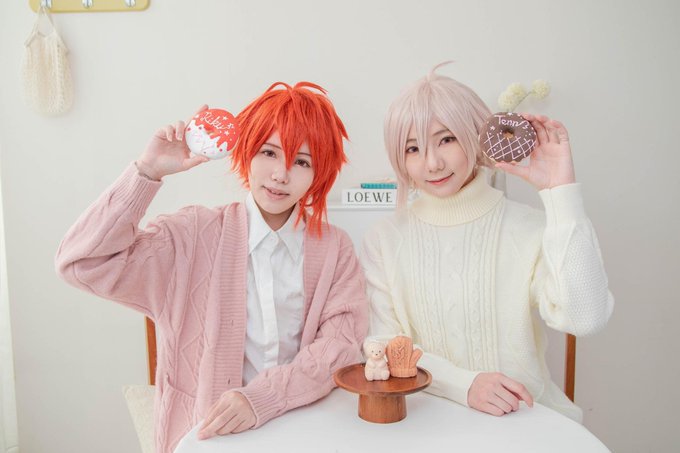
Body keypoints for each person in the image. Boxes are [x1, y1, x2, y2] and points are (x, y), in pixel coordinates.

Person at [55, 81, 368, 453]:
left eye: (301, 161)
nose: (280, 174)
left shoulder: (334, 249)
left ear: (319, 173)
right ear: (246, 151)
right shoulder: (192, 235)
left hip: (303, 436)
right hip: (205, 439)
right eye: (269, 152)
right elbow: (82, 262)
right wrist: (148, 172)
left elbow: (340, 347)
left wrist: (262, 399)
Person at [360, 64, 614, 423]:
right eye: (412, 148)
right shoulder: (384, 239)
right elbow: (384, 345)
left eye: (446, 139)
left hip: (525, 419)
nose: (432, 163)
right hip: (426, 421)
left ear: (475, 135)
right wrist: (464, 385)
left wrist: (560, 193)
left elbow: (585, 319)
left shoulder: (528, 227)